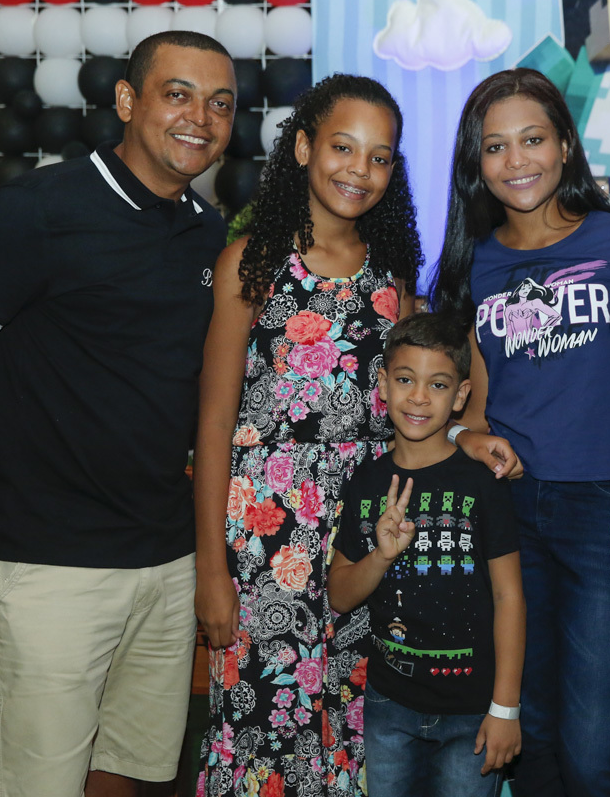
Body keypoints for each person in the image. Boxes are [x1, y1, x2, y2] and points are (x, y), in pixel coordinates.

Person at [0, 31, 236, 797]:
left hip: (164, 563)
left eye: (220, 104)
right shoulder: (41, 209)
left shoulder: (208, 230)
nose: (200, 118)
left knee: (127, 770)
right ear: (127, 100)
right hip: (48, 568)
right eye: (178, 94)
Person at [192, 74, 426, 797]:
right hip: (266, 542)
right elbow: (215, 424)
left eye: (379, 157)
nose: (360, 169)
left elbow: (415, 409)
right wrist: (211, 572)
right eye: (343, 147)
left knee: (355, 730)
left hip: (365, 534)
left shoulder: (395, 278)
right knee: (263, 727)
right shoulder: (251, 264)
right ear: (302, 148)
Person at [432, 68, 610, 797]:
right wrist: (464, 436)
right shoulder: (474, 261)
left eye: (533, 140)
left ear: (565, 146)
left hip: (603, 510)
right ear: (477, 162)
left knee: (592, 754)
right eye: (495, 147)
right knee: (535, 741)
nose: (516, 160)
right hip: (508, 511)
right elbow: (470, 402)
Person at [327, 313, 525, 797]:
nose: (418, 397)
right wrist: (380, 556)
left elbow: (510, 598)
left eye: (437, 385)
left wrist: (505, 709)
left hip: (472, 713)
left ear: (460, 395)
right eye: (404, 380)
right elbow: (339, 595)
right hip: (389, 706)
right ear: (382, 385)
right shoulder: (367, 481)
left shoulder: (483, 484)